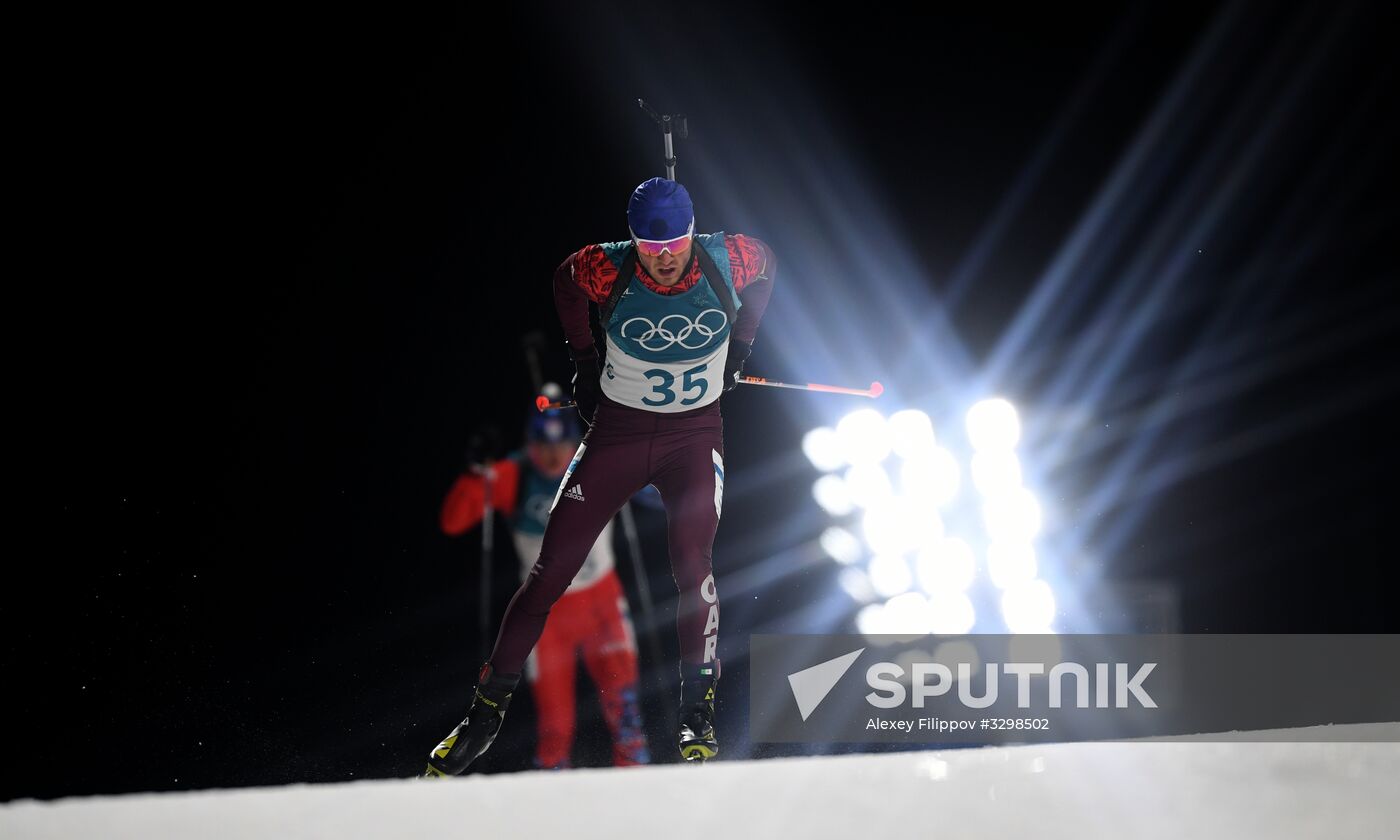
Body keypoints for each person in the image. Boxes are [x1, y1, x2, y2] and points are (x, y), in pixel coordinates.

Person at [425, 176, 775, 776]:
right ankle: (483, 714)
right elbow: (564, 279)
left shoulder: (730, 256)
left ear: (692, 235)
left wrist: (742, 344)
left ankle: (697, 710)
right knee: (548, 574)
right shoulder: (609, 269)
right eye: (648, 247)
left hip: (692, 441)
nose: (662, 261)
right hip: (617, 437)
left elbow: (768, 264)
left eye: (673, 247)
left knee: (693, 563)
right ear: (633, 240)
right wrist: (583, 359)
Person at [438, 402, 650, 770]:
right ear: (528, 444)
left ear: (576, 442)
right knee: (556, 727)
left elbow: (660, 490)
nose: (552, 456)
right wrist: (476, 471)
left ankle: (641, 798)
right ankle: (552, 804)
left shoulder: (596, 462)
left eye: (561, 444)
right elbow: (453, 522)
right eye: (542, 445)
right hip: (547, 618)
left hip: (602, 604)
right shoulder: (513, 475)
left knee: (626, 713)